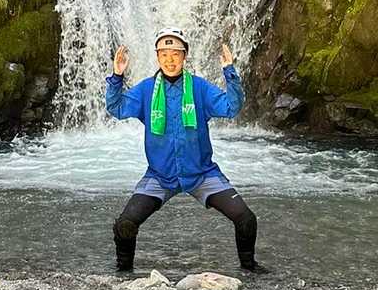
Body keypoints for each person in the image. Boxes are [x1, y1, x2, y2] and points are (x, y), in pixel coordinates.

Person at [105, 30, 263, 275]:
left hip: (201, 174)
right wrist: (117, 76)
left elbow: (232, 107)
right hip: (160, 176)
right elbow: (116, 107)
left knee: (246, 219)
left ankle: (249, 271)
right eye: (164, 54)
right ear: (157, 57)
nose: (170, 60)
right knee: (125, 224)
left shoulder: (199, 88)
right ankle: (123, 274)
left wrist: (229, 72)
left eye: (175, 54)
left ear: (185, 56)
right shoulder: (147, 89)